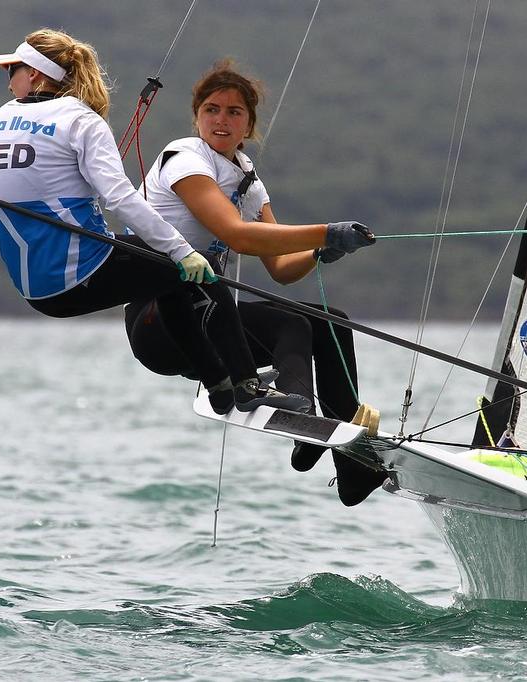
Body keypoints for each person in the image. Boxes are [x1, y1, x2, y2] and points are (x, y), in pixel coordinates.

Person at [0, 29, 323, 413]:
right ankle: (246, 386)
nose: (9, 80)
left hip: (35, 290)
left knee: (174, 280)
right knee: (199, 269)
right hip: (81, 271)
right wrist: (181, 251)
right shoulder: (80, 120)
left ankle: (220, 387)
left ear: (38, 76)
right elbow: (120, 197)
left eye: (14, 70)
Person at [123, 59, 387, 506]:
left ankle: (349, 461)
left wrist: (323, 251)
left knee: (332, 322)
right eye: (212, 109)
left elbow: (281, 268)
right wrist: (325, 230)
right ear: (196, 117)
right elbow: (237, 236)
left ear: (249, 123)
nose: (221, 120)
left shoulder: (248, 180)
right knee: (293, 327)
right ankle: (307, 428)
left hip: (211, 318)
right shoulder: (184, 160)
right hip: (159, 324)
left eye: (234, 112)